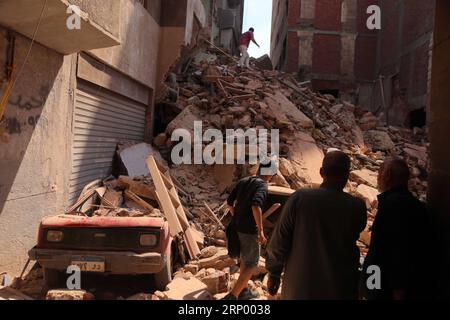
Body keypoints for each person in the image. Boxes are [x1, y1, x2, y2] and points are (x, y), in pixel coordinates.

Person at [266, 151, 367, 299]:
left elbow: (278, 242)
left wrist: (274, 273)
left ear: (321, 172)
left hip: (299, 290)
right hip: (339, 290)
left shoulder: (299, 198)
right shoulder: (356, 206)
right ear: (347, 176)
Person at [362, 158, 431, 300]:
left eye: (379, 173)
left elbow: (389, 251)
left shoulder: (392, 206)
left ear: (387, 176)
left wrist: (372, 287)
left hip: (386, 286)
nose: (377, 177)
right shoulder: (416, 206)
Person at [222, 160, 276, 300]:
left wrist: (237, 216)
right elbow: (256, 205)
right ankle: (233, 296)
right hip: (249, 230)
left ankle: (244, 290)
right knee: (252, 263)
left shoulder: (244, 180)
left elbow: (229, 202)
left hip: (237, 227)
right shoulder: (263, 186)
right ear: (269, 173)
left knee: (245, 259)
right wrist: (260, 231)